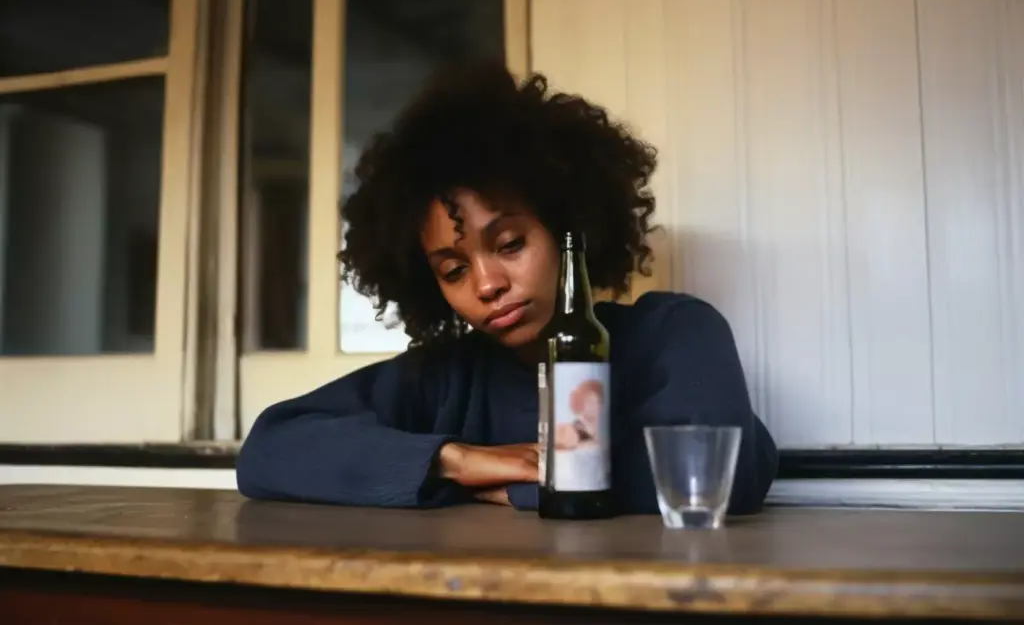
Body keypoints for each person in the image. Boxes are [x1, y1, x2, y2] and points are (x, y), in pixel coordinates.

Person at [236, 62, 778, 513]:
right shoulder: (447, 376)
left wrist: (515, 485)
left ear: (571, 230)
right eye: (452, 271)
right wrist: (458, 461)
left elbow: (710, 476)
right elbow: (270, 449)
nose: (488, 284)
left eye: (510, 243)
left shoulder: (672, 333)